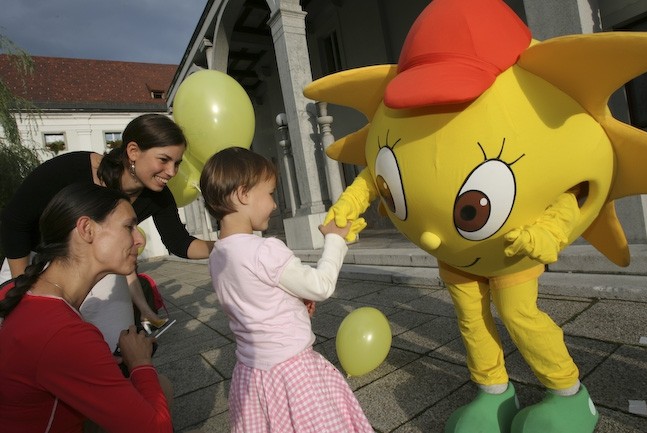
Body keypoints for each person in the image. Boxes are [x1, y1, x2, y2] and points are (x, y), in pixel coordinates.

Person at [0, 113, 214, 351]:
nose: (172, 172)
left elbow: (180, 243)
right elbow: (14, 221)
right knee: (33, 349)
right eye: (164, 160)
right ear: (133, 151)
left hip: (102, 273)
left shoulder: (159, 197)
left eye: (177, 163)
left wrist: (227, 242)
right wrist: (23, 290)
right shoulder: (71, 169)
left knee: (114, 346)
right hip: (32, 266)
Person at [199, 147, 374, 433]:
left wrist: (293, 297)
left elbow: (255, 297)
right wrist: (335, 241)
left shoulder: (218, 255)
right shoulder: (265, 249)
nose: (274, 204)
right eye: (269, 194)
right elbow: (321, 286)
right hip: (293, 373)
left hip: (251, 375)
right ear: (243, 194)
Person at [0, 182, 172, 433]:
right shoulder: (63, 333)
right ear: (86, 229)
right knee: (161, 387)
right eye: (129, 227)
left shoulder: (19, 292)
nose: (138, 239)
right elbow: (156, 429)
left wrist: (99, 363)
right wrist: (140, 362)